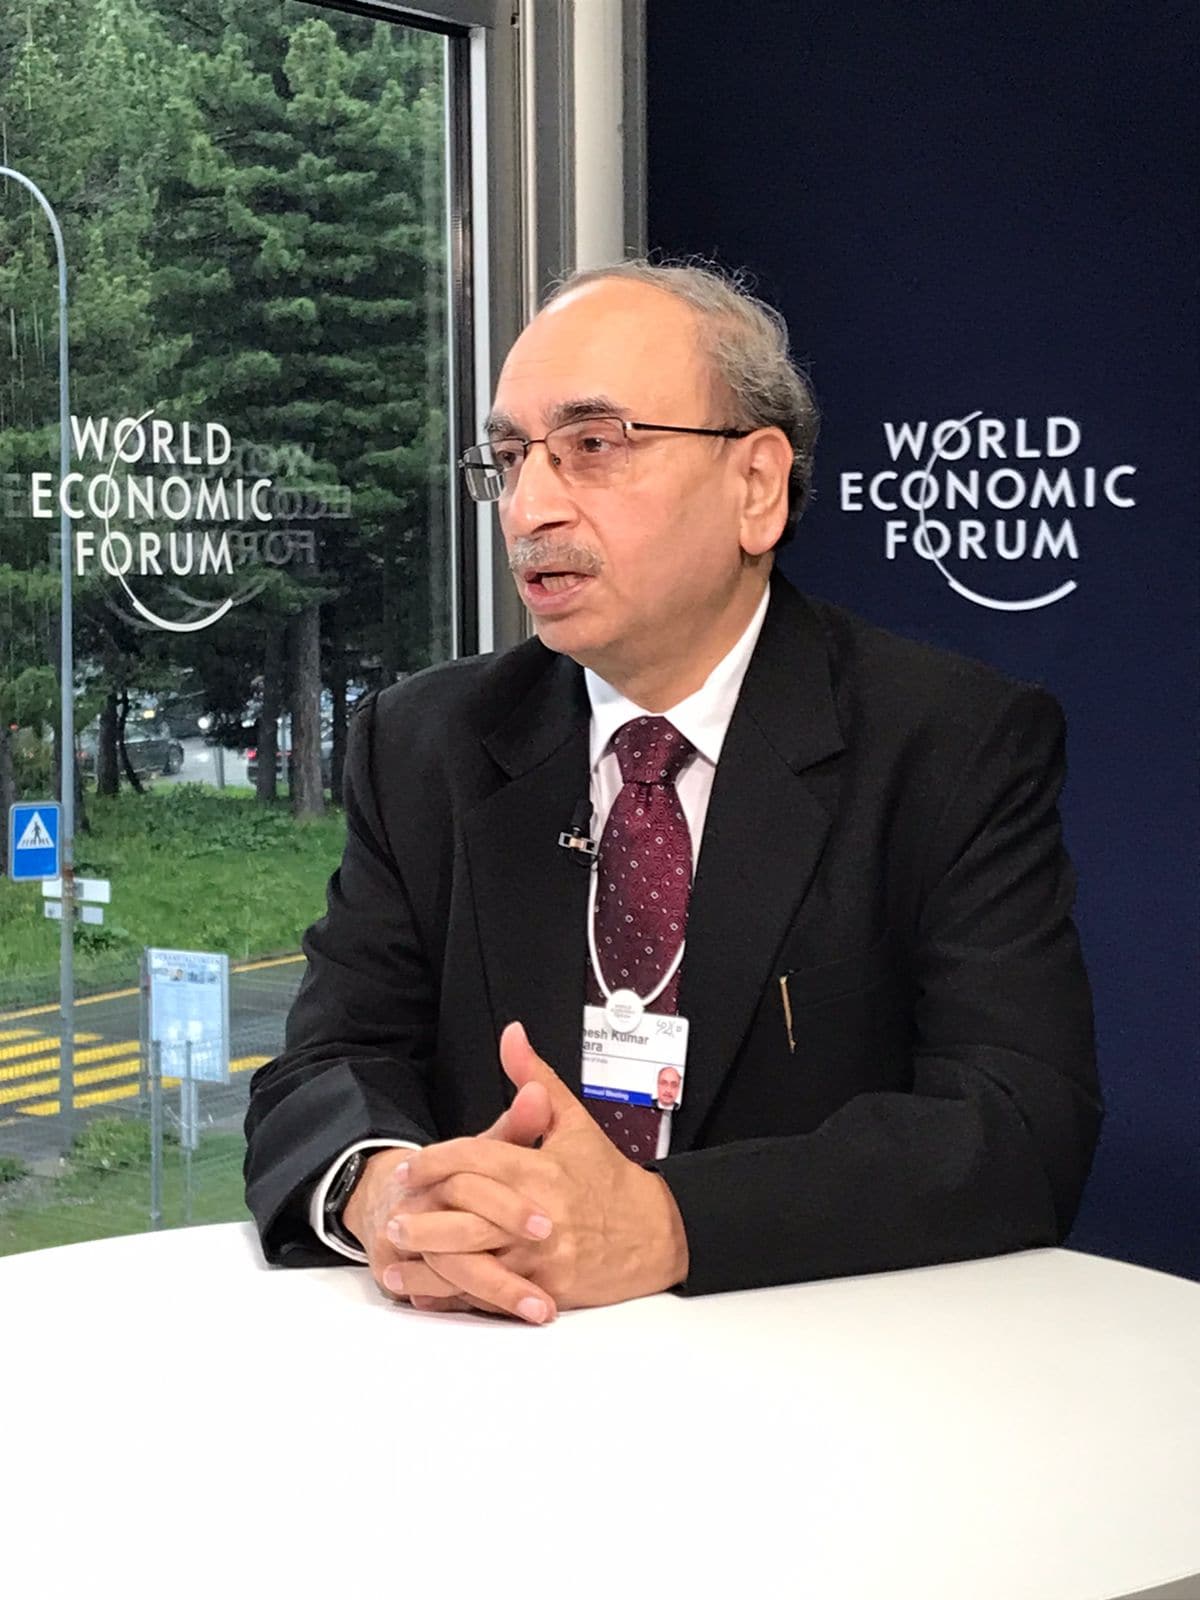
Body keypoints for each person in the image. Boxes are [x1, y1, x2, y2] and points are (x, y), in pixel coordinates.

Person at [244, 259, 1100, 1325]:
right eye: (509, 458)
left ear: (756, 487)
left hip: (829, 1366)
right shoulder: (424, 743)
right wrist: (389, 1194)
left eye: (594, 445)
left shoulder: (950, 742)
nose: (529, 506)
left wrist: (666, 1223)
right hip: (495, 1355)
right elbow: (325, 1065)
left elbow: (1018, 1121)